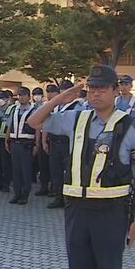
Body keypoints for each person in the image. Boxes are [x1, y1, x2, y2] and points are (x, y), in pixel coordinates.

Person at [26, 64, 135, 269]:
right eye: (91, 89)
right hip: (77, 212)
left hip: (111, 213)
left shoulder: (130, 126)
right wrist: (61, 97)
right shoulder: (76, 119)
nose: (95, 94)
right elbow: (34, 121)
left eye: (101, 89)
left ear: (115, 91)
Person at [47, 79, 84, 209]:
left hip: (67, 143)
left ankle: (68, 198)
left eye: (67, 90)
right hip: (54, 142)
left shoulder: (79, 106)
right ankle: (58, 197)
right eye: (62, 90)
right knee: (55, 171)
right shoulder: (57, 106)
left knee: (69, 171)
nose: (64, 93)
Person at [6, 87, 38, 205]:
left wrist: (36, 145)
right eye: (19, 95)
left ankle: (25, 194)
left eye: (23, 95)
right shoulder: (14, 109)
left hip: (27, 145)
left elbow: (37, 129)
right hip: (14, 143)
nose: (21, 97)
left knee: (26, 170)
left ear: (29, 97)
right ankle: (17, 193)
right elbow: (9, 126)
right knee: (16, 171)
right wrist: (7, 140)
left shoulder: (34, 110)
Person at [35, 85, 59, 196]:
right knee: (43, 164)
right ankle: (43, 186)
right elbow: (42, 125)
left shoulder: (61, 106)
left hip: (56, 139)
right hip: (45, 138)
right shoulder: (46, 106)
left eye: (52, 92)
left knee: (55, 167)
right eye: (48, 92)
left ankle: (55, 188)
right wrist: (42, 142)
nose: (49, 94)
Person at [0, 90, 15, 192]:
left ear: (8, 99)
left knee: (6, 163)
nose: (0, 100)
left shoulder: (12, 109)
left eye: (2, 98)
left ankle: (6, 184)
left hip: (6, 140)